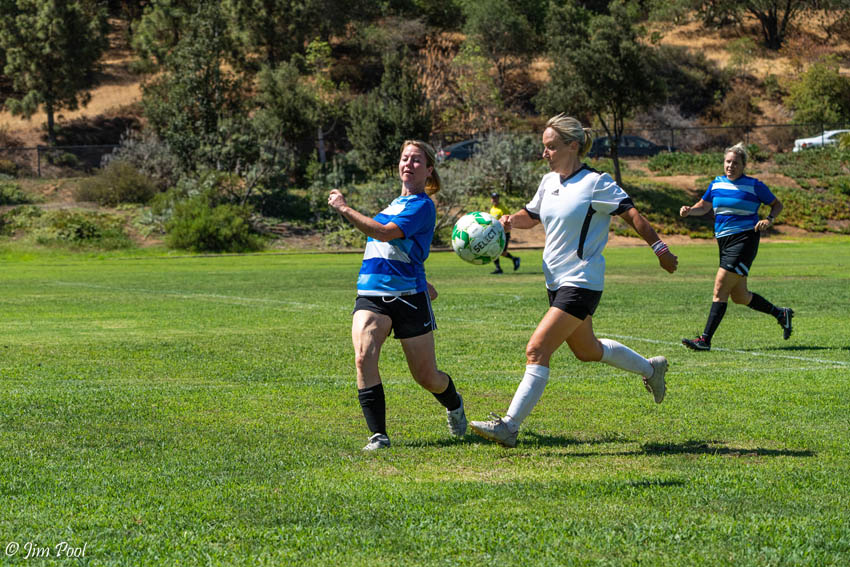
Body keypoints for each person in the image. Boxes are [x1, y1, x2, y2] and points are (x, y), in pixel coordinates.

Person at [469, 114, 679, 448]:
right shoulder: (548, 182)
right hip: (554, 282)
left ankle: (509, 426)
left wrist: (660, 248)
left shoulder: (596, 182)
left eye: (550, 147)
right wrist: (509, 221)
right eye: (543, 147)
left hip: (581, 282)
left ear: (573, 145)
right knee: (587, 350)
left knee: (537, 349)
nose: (545, 154)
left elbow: (632, 213)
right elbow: (532, 216)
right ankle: (652, 370)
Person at [328, 140, 467, 451]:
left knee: (426, 376)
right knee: (364, 356)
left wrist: (343, 208)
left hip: (408, 298)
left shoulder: (422, 205)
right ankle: (379, 436)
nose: (408, 164)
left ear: (429, 170)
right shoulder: (392, 205)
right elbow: (395, 249)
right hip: (372, 293)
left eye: (416, 160)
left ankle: (454, 403)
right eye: (405, 158)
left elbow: (384, 233)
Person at [679, 142, 793, 351]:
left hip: (744, 240)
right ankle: (781, 314)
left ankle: (705, 340)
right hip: (724, 243)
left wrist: (769, 219)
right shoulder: (716, 184)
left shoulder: (754, 185)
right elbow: (703, 207)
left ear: (743, 165)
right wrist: (689, 211)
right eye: (728, 162)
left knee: (719, 287)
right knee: (740, 296)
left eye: (735, 163)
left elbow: (777, 205)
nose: (731, 166)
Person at [488, 192, 521, 274]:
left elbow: (508, 219)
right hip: (495, 234)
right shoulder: (492, 209)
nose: (494, 199)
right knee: (494, 251)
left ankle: (515, 259)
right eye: (493, 198)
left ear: (498, 199)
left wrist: (507, 229)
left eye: (496, 198)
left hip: (504, 233)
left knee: (502, 252)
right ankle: (498, 268)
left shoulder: (503, 208)